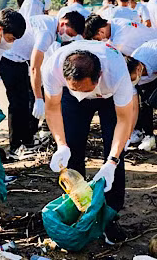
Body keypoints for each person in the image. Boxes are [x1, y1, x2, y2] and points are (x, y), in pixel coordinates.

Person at [43, 40, 136, 244]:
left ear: (99, 77)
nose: (81, 95)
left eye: (85, 90)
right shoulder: (52, 67)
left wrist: (112, 161)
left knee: (114, 156)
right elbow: (51, 108)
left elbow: (124, 118)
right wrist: (61, 145)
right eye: (75, 88)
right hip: (69, 99)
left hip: (108, 99)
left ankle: (109, 218)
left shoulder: (116, 72)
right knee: (72, 150)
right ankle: (77, 210)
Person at [0, 0, 50, 153]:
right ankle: (15, 145)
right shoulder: (31, 3)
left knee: (23, 100)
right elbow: (26, 30)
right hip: (11, 58)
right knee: (18, 102)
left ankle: (26, 140)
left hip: (21, 60)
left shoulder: (38, 4)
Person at [27, 11, 86, 154]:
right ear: (63, 23)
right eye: (70, 34)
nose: (69, 37)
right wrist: (38, 98)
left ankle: (46, 130)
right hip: (35, 68)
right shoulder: (47, 32)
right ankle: (27, 139)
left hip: (44, 70)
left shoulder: (55, 35)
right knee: (28, 104)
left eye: (72, 36)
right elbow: (35, 67)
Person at [82, 14, 157, 56]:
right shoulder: (114, 22)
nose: (100, 41)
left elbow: (114, 56)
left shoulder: (120, 36)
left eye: (97, 39)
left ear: (101, 32)